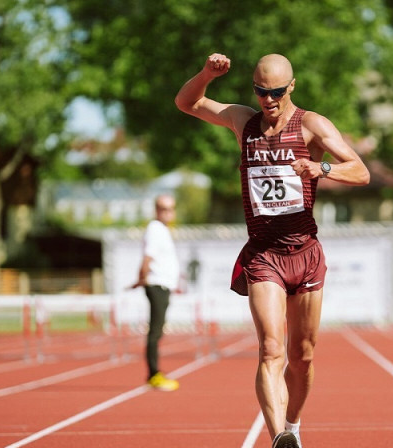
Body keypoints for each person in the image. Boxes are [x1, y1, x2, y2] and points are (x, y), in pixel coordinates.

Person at [175, 53, 370, 448]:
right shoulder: (242, 121)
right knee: (270, 349)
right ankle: (279, 435)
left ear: (291, 87)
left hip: (306, 253)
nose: (269, 100)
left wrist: (323, 169)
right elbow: (186, 103)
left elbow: (361, 171)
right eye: (262, 92)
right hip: (264, 255)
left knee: (303, 357)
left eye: (277, 92)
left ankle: (293, 424)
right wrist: (207, 75)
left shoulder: (312, 125)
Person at [131, 194, 180, 391]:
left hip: (163, 284)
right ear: (156, 210)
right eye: (163, 208)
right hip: (157, 284)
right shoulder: (155, 229)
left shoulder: (163, 230)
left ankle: (155, 373)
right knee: (155, 330)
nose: (167, 212)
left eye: (170, 208)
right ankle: (153, 374)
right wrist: (142, 277)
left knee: (158, 330)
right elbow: (148, 257)